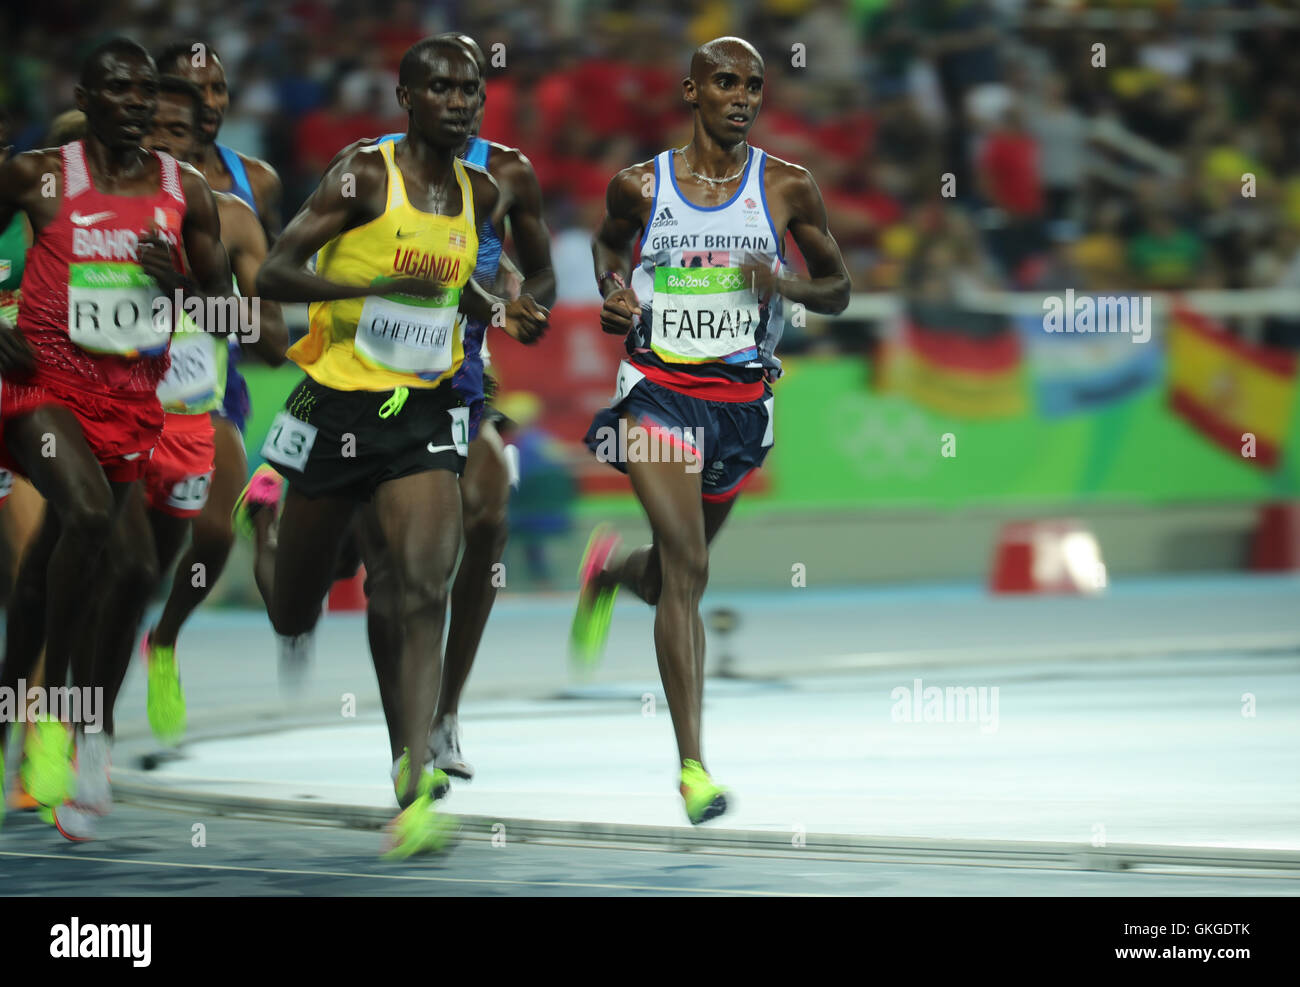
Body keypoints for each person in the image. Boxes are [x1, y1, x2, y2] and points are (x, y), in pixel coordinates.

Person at [254, 37, 546, 857]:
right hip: (335, 406)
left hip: (421, 412)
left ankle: (412, 780)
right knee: (292, 611)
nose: (460, 102)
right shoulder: (363, 174)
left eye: (472, 90)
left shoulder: (480, 191)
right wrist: (369, 287)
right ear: (406, 97)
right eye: (442, 89)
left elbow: (456, 285)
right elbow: (274, 273)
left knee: (417, 584)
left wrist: (503, 302)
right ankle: (266, 523)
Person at [574, 37, 850, 824]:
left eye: (753, 85)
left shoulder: (789, 187)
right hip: (655, 392)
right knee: (690, 567)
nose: (741, 96)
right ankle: (693, 765)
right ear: (690, 90)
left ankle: (611, 572)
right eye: (725, 82)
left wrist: (784, 280)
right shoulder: (640, 185)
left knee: (669, 576)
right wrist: (614, 286)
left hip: (740, 406)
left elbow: (838, 287)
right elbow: (604, 243)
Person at [0, 39, 229, 838]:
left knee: (61, 569)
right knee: (93, 523)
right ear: (86, 97)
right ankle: (55, 719)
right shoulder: (37, 175)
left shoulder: (186, 191)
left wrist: (186, 283)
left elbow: (227, 301)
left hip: (131, 400)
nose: (135, 105)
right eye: (118, 91)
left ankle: (46, 719)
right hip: (41, 390)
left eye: (144, 94)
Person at [131, 75, 287, 746]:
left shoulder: (238, 207)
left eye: (178, 130)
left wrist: (197, 290)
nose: (163, 141)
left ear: (201, 138)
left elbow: (273, 341)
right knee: (115, 563)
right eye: (152, 127)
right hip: (104, 395)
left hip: (203, 394)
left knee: (214, 538)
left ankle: (162, 643)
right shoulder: (87, 199)